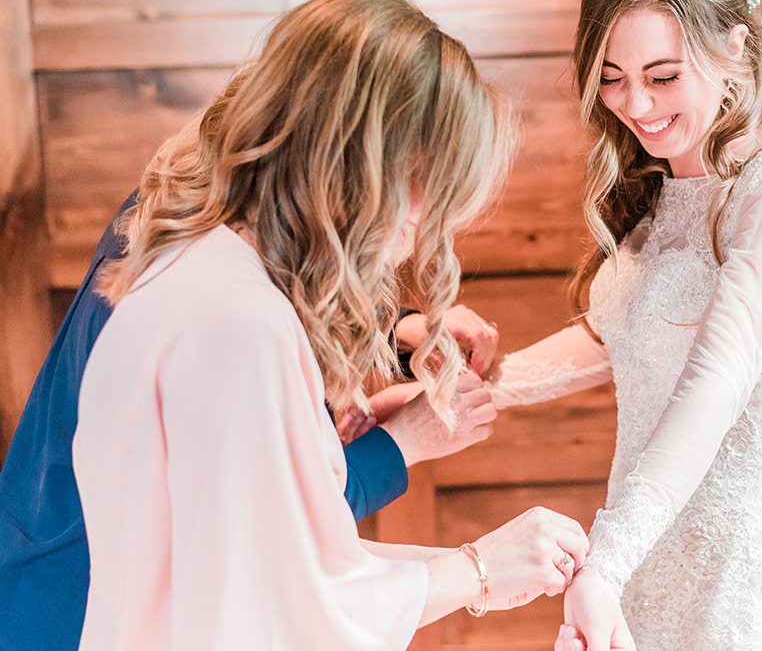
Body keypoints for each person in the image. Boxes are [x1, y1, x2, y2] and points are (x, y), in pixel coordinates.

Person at [68, 0, 588, 650]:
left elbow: (272, 557)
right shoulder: (243, 324)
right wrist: (480, 568)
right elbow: (279, 614)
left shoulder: (193, 257)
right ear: (369, 166)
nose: (425, 226)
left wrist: (464, 563)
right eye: (432, 189)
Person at [484, 0, 762, 651]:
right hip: (646, 565)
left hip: (747, 582)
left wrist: (607, 558)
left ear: (734, 45)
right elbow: (613, 337)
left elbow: (720, 369)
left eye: (662, 76)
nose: (637, 106)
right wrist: (473, 388)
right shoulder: (660, 182)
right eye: (613, 79)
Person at [0, 110, 500, 651]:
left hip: (39, 564)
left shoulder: (184, 218)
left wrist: (397, 330)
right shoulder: (230, 310)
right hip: (88, 609)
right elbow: (271, 534)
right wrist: (402, 444)